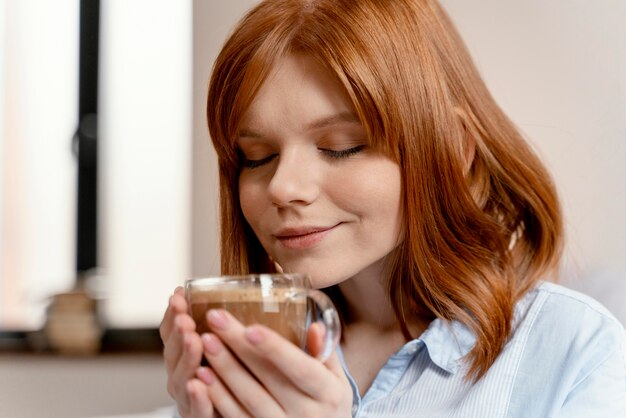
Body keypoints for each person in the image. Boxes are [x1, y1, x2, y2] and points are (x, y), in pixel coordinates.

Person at [159, 0, 626, 416]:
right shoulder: (242, 360)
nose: (282, 186)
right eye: (256, 157)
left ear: (454, 150)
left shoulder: (576, 351)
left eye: (341, 147)